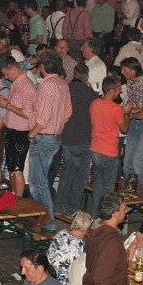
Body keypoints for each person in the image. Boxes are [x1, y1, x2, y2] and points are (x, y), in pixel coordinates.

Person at [26, 51, 72, 230]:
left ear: (43, 67)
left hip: (43, 137)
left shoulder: (48, 85)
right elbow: (68, 112)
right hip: (54, 137)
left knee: (38, 184)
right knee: (41, 180)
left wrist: (32, 134)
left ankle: (48, 222)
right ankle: (41, 219)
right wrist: (57, 124)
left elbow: (43, 117)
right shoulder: (62, 84)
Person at [56, 63, 96, 217]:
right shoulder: (90, 93)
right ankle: (72, 208)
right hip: (83, 138)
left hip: (66, 137)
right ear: (86, 77)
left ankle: (59, 205)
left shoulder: (66, 89)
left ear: (73, 75)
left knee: (67, 172)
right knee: (80, 175)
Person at [89, 75, 129, 219]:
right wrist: (127, 113)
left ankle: (94, 216)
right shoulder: (116, 108)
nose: (120, 91)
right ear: (112, 91)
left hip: (95, 147)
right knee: (108, 186)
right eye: (118, 89)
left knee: (98, 183)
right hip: (110, 150)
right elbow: (124, 129)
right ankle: (106, 219)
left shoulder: (94, 103)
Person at [0, 55, 36, 199]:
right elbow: (18, 106)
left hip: (20, 132)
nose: (5, 77)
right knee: (12, 167)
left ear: (13, 68)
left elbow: (28, 114)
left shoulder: (27, 86)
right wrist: (6, 102)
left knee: (17, 168)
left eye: (6, 74)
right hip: (11, 129)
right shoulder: (17, 83)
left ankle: (18, 201)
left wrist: (7, 105)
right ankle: (12, 196)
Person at [120, 58, 143, 187]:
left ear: (133, 70)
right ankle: (130, 193)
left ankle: (142, 198)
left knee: (138, 162)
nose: (122, 71)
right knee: (127, 163)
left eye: (124, 69)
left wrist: (127, 111)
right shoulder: (130, 82)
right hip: (134, 122)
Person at [47, 211, 93, 285]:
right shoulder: (81, 247)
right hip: (63, 284)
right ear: (86, 231)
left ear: (72, 224)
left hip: (48, 275)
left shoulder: (61, 233)